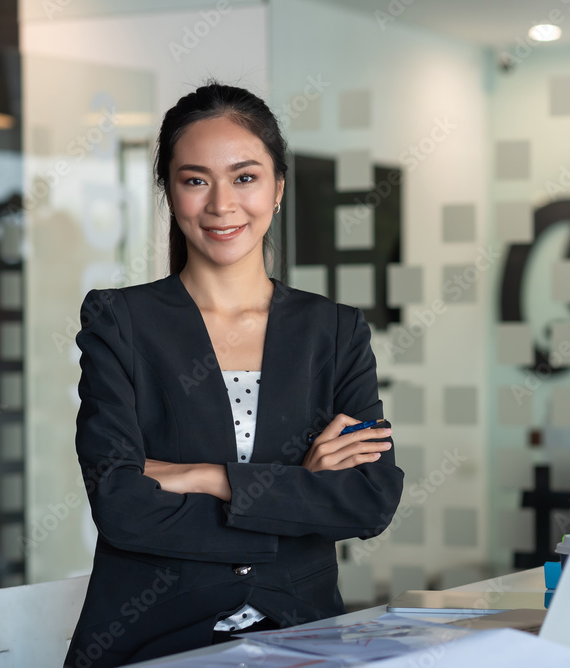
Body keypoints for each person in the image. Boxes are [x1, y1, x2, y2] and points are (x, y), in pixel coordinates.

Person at [63, 82, 404, 667]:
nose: (221, 205)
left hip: (303, 637)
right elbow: (121, 504)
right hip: (156, 642)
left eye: (244, 177)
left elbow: (366, 501)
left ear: (277, 190)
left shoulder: (336, 331)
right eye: (195, 180)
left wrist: (209, 477)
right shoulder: (120, 323)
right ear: (170, 193)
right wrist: (297, 489)